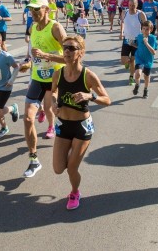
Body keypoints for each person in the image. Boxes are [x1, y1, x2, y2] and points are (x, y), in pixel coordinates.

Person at [51, 35, 111, 210]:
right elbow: (53, 92)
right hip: (63, 124)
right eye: (65, 47)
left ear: (81, 53)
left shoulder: (88, 76)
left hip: (81, 127)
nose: (67, 51)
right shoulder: (58, 73)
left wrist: (89, 96)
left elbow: (107, 99)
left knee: (71, 168)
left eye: (71, 48)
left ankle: (75, 192)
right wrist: (54, 104)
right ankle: (71, 155)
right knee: (57, 168)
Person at [23, 0, 67, 178]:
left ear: (46, 9)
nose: (33, 12)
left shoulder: (55, 27)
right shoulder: (33, 27)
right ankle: (34, 159)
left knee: (55, 112)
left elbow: (71, 56)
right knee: (27, 118)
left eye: (36, 9)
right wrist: (27, 62)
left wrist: (47, 56)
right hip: (37, 78)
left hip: (56, 79)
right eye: (31, 9)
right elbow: (33, 52)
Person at [120, 0, 147, 86]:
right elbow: (122, 23)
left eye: (133, 5)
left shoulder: (140, 14)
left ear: (137, 5)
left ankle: (131, 76)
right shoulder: (125, 12)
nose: (131, 7)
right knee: (124, 60)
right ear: (128, 5)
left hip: (137, 41)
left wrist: (145, 38)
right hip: (127, 40)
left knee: (133, 60)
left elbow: (146, 27)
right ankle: (127, 63)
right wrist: (121, 33)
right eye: (130, 5)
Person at [132, 21, 158, 99]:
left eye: (147, 29)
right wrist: (132, 44)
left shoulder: (153, 38)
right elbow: (138, 45)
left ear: (151, 29)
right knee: (137, 74)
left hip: (148, 60)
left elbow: (153, 52)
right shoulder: (139, 36)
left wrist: (146, 43)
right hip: (139, 58)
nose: (145, 31)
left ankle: (146, 89)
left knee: (146, 76)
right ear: (141, 29)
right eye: (143, 29)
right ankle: (137, 85)